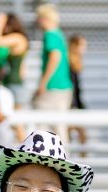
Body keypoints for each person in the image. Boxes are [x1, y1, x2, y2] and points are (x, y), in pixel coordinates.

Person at [33, 6, 74, 140]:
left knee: (42, 127)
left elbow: (55, 57)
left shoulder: (50, 34)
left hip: (53, 87)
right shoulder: (59, 34)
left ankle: (41, 159)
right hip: (64, 86)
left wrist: (43, 82)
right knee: (60, 127)